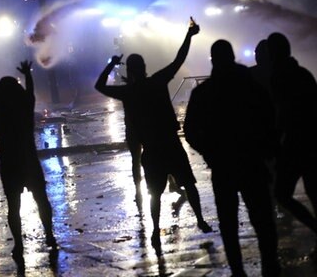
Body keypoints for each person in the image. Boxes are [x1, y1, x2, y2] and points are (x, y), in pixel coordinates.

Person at [95, 18, 211, 248]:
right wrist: (189, 35)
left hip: (152, 149)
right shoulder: (158, 81)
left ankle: (156, 231)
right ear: (145, 67)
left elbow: (99, 86)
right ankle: (200, 220)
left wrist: (111, 64)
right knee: (189, 184)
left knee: (155, 194)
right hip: (170, 144)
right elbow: (179, 58)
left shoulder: (128, 92)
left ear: (130, 71)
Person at [184, 40, 281, 277]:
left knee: (228, 225)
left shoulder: (203, 92)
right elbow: (271, 119)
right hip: (252, 162)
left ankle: (238, 271)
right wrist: (267, 151)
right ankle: (270, 267)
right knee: (263, 222)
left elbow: (189, 131)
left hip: (223, 167)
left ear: (213, 60)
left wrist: (209, 153)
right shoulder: (250, 86)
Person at [0, 60, 57, 272]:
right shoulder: (25, 107)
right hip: (29, 161)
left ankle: (19, 245)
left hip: (10, 165)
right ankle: (49, 235)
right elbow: (30, 92)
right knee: (41, 200)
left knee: (14, 207)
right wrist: (28, 74)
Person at [267, 32, 317, 235]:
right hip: (311, 140)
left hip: (296, 142)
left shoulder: (279, 76)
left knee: (282, 193)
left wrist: (276, 143)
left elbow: (283, 113)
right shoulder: (303, 74)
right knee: (313, 191)